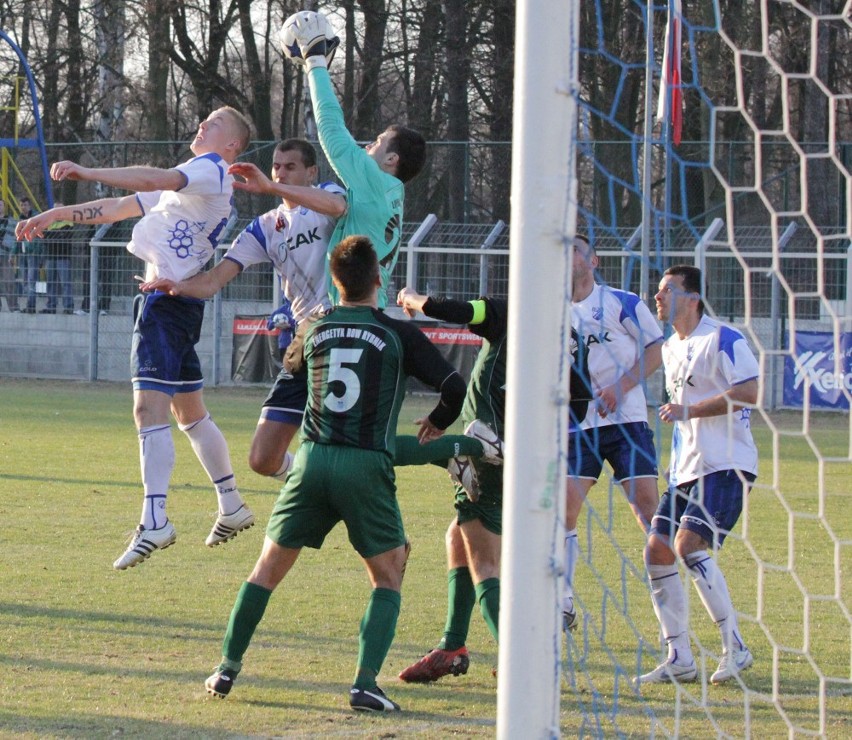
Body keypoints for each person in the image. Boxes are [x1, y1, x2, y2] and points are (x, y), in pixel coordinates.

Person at [203, 236, 467, 712]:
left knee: (265, 571)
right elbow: (453, 385)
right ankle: (365, 683)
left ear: (335, 281)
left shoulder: (315, 325)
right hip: (365, 465)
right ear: (379, 280)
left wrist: (298, 335)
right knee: (389, 574)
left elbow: (291, 363)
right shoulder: (396, 332)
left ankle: (226, 667)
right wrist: (439, 424)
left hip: (311, 462)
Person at [16, 106, 256, 569]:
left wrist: (86, 169)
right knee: (190, 413)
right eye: (203, 120)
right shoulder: (189, 185)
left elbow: (150, 179)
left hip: (165, 303)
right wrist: (57, 213)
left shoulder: (209, 169)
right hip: (177, 301)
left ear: (231, 145)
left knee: (148, 409)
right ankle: (231, 504)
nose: (202, 125)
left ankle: (155, 521)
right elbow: (116, 207)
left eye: (214, 123)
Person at [395, 286, 592, 683]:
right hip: (514, 452)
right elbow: (581, 400)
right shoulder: (562, 332)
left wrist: (412, 299)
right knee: (458, 538)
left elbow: (452, 307)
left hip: (488, 451)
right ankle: (452, 646)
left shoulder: (510, 313)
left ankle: (524, 664)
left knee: (484, 558)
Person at [635, 264, 758, 686]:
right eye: (658, 290)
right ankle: (679, 657)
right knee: (657, 551)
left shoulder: (723, 338)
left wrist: (692, 411)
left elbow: (749, 391)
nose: (658, 297)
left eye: (667, 290)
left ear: (693, 298)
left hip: (725, 464)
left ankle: (736, 648)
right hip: (686, 468)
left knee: (689, 546)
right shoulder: (670, 347)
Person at [274, 11, 426, 308]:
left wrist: (315, 61)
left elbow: (330, 130)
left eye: (379, 142)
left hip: (358, 312)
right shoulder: (391, 192)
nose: (369, 145)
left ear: (391, 159)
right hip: (372, 309)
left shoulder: (375, 180)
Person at [563, 234, 664, 632]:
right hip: (579, 425)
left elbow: (656, 349)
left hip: (626, 423)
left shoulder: (621, 302)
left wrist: (619, 388)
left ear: (593, 260)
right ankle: (564, 603)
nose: (567, 255)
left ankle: (669, 613)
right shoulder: (552, 311)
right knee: (563, 510)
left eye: (574, 248)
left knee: (648, 512)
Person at [41, 203, 76, 314]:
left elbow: (65, 237)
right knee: (50, 282)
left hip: (63, 257)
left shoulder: (68, 221)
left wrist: (52, 236)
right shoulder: (49, 222)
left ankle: (68, 306)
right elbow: (45, 237)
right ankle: (51, 306)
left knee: (65, 282)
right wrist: (56, 235)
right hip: (51, 256)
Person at [17, 197, 42, 313]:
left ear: (30, 206)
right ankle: (29, 305)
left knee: (32, 280)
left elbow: (38, 237)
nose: (23, 207)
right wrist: (14, 253)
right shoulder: (20, 219)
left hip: (33, 254)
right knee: (26, 281)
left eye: (25, 205)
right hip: (23, 254)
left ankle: (31, 306)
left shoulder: (35, 218)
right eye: (21, 205)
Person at [0, 200, 19, 312]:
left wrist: (12, 254)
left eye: (0, 204)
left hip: (5, 256)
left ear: (4, 206)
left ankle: (14, 307)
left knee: (9, 282)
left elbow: (14, 240)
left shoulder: (11, 221)